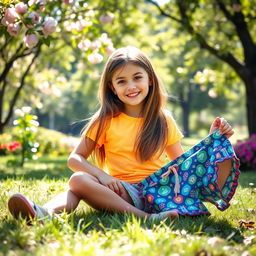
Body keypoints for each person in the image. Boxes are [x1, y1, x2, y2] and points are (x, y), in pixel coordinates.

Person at [8, 46, 237, 223]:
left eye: (137, 77)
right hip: (121, 192)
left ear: (149, 79)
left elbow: (182, 165)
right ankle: (44, 212)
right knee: (77, 181)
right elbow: (74, 159)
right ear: (112, 87)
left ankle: (145, 218)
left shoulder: (163, 119)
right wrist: (105, 177)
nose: (131, 86)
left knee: (77, 181)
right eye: (121, 81)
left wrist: (210, 139)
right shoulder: (105, 120)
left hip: (157, 191)